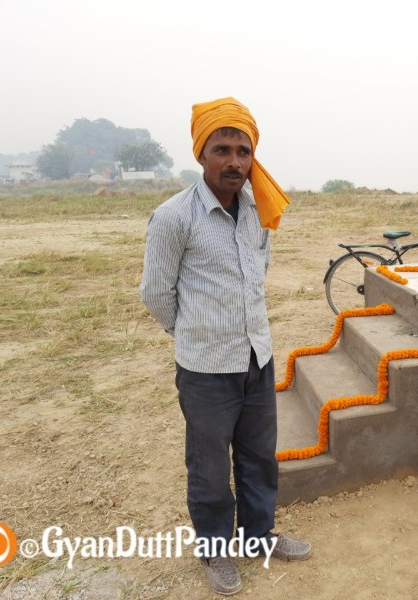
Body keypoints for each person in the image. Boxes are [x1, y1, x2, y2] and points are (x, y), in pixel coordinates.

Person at [140, 96, 311, 596]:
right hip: (205, 368)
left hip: (258, 356)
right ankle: (216, 549)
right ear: (201, 154)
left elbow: (260, 268)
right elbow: (156, 293)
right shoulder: (173, 217)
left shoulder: (258, 208)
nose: (234, 161)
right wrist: (194, 333)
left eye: (243, 151)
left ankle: (258, 537)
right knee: (210, 467)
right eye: (222, 150)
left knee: (259, 457)